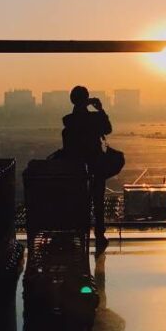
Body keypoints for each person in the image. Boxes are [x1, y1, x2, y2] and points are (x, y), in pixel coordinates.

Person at [61, 86, 113, 250]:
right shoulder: (95, 119)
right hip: (95, 164)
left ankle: (79, 234)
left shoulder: (68, 120)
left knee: (78, 201)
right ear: (87, 99)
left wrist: (82, 105)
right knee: (98, 201)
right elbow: (108, 129)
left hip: (76, 168)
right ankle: (99, 235)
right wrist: (100, 109)